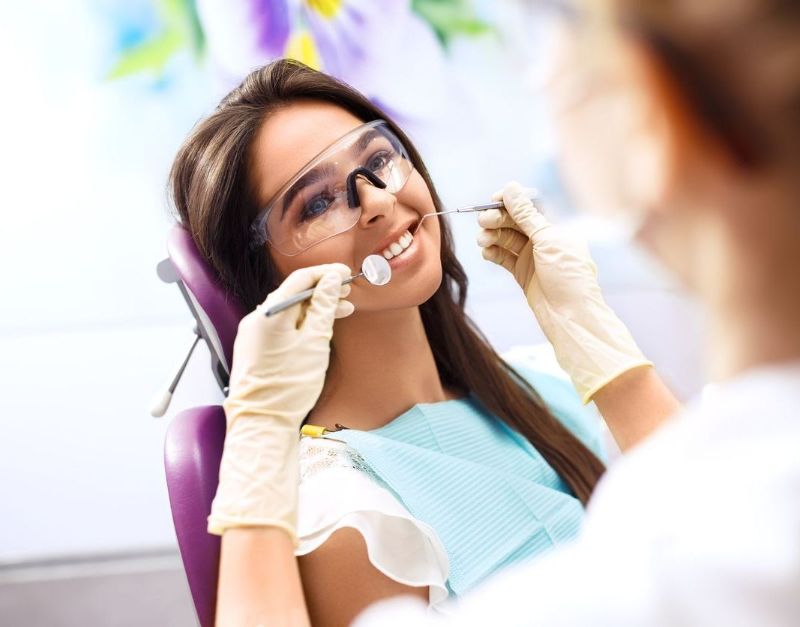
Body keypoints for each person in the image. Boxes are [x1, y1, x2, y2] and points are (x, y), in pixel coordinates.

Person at [169, 58, 677, 626]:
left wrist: (597, 340)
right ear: (265, 281)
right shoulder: (348, 512)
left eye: (378, 160)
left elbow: (722, 538)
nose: (380, 200)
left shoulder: (544, 386)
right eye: (317, 203)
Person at [352, 0, 800, 624]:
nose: (376, 200)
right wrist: (593, 337)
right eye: (318, 202)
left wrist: (250, 468)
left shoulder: (647, 580)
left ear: (658, 112)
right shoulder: (334, 499)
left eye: (561, 28)